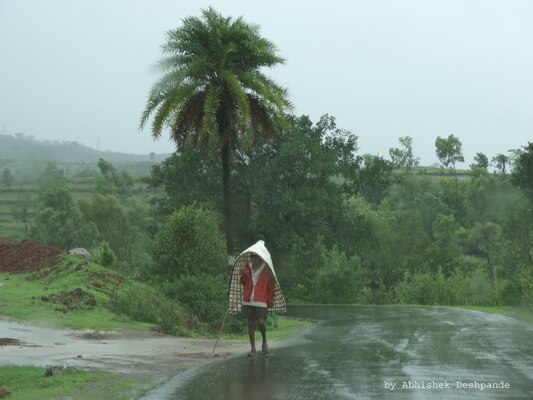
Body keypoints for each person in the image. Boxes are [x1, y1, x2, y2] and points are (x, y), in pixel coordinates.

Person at [240, 252, 275, 356]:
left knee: (260, 322)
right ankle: (253, 349)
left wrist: (270, 300)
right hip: (248, 299)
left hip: (261, 299)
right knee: (250, 323)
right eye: (252, 257)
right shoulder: (247, 266)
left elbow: (271, 286)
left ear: (260, 258)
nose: (253, 259)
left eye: (255, 257)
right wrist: (243, 275)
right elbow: (244, 282)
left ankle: (264, 341)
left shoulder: (267, 269)